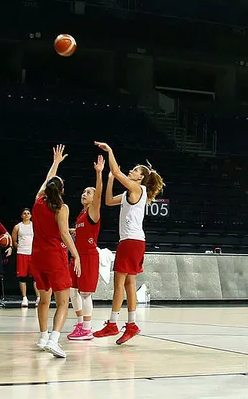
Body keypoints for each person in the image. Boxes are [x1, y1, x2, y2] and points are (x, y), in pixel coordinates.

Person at [93, 142, 164, 345]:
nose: (131, 171)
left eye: (134, 170)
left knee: (119, 284)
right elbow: (108, 201)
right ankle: (132, 324)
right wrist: (109, 179)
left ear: (140, 177)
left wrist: (110, 151)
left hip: (131, 241)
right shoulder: (128, 193)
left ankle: (112, 324)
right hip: (134, 241)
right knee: (129, 284)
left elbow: (117, 171)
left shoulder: (137, 188)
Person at [31, 144, 81, 358]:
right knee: (62, 302)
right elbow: (64, 234)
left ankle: (43, 337)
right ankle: (54, 339)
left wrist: (55, 163)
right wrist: (76, 254)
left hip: (37, 256)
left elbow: (46, 181)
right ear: (61, 191)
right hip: (54, 256)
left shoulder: (37, 201)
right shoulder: (62, 208)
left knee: (43, 300)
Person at [67, 155, 104, 341]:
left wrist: (99, 174)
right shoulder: (82, 214)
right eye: (83, 192)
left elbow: (98, 194)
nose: (84, 194)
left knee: (85, 293)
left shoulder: (93, 211)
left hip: (88, 256)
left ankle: (88, 329)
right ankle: (81, 323)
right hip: (77, 256)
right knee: (72, 290)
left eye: (88, 193)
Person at [11, 208, 40, 307]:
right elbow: (14, 241)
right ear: (21, 216)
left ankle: (38, 297)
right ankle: (24, 298)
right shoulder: (17, 227)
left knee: (36, 277)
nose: (26, 215)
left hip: (33, 254)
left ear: (31, 215)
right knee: (22, 276)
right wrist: (19, 247)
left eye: (28, 213)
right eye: (24, 213)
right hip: (22, 253)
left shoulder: (34, 225)